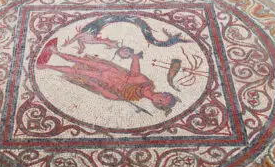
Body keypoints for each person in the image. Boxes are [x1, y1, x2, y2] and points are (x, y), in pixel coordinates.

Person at [36, 38, 178, 115]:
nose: (161, 99)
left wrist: (96, 86)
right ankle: (56, 52)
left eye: (162, 102)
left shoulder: (135, 98)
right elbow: (135, 72)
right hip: (111, 70)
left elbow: (114, 96)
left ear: (156, 104)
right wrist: (135, 58)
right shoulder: (147, 84)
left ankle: (46, 66)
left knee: (78, 72)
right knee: (82, 61)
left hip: (105, 80)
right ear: (163, 93)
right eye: (165, 97)